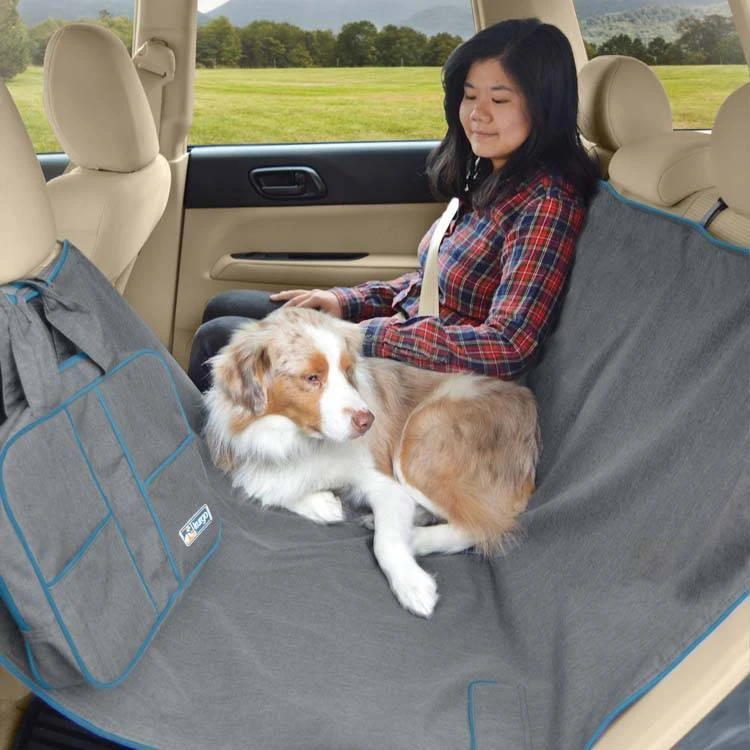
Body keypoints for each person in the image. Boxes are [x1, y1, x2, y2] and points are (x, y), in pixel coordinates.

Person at [187, 18, 600, 393]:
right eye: (470, 95)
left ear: (544, 106)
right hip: (407, 340)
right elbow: (431, 285)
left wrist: (364, 337)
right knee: (224, 306)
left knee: (219, 338)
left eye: (500, 100)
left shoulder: (545, 201)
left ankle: (205, 452)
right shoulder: (495, 178)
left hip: (426, 382)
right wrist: (345, 302)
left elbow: (508, 346)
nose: (477, 113)